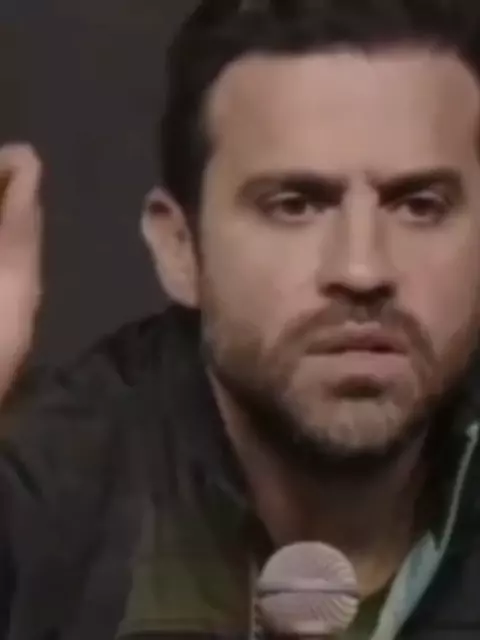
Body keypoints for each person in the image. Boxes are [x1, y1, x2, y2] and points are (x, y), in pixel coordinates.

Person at [2, 0, 480, 637]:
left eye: (420, 206)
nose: (363, 270)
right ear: (180, 249)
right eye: (294, 205)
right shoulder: (45, 493)